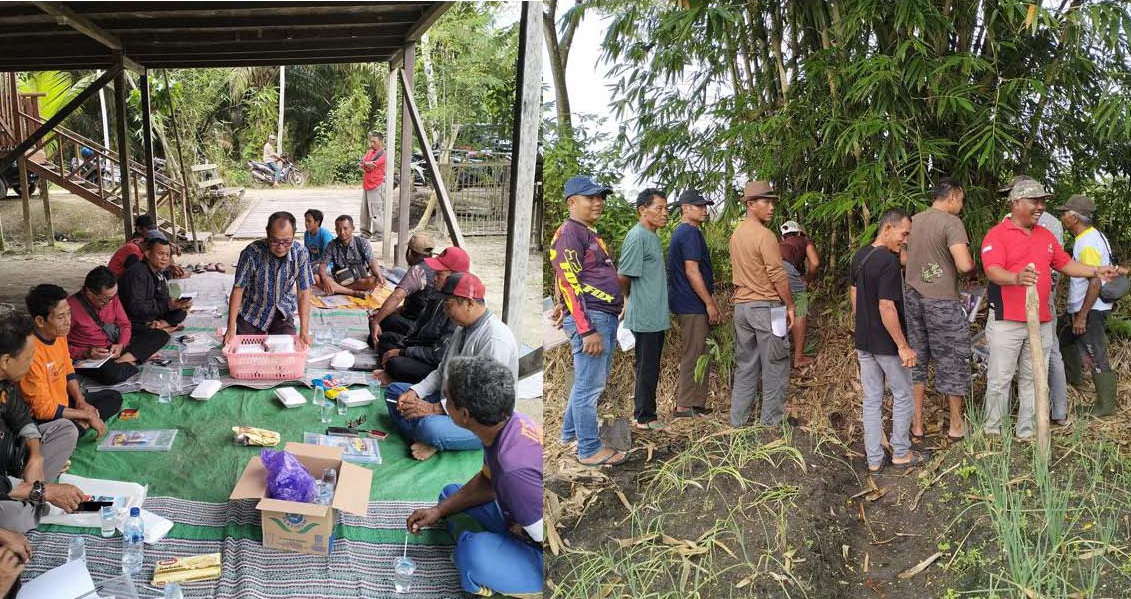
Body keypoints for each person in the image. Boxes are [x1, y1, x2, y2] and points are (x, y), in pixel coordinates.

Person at [980, 180, 1120, 439]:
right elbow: (992, 270)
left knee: (1035, 377)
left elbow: (1065, 264)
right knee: (1000, 378)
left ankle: (1027, 431)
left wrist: (1095, 271)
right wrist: (1015, 278)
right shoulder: (997, 234)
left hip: (1042, 319)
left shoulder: (1045, 236)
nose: (1041, 207)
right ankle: (993, 433)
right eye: (1035, 201)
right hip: (1006, 320)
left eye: (1042, 201)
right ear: (1016, 202)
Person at [406, 356, 542, 597]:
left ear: (465, 415)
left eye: (448, 400)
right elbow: (488, 482)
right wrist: (439, 511)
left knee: (472, 554)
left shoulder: (513, 471)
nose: (443, 403)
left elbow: (548, 539)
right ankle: (489, 544)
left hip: (540, 550)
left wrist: (516, 533)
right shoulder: (505, 426)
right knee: (449, 496)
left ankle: (507, 575)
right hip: (518, 516)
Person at [385, 273, 519, 461]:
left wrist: (433, 409)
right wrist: (416, 392)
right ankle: (430, 439)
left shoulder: (494, 339)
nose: (445, 311)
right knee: (394, 393)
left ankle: (432, 436)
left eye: (448, 305)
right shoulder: (462, 328)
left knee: (429, 427)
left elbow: (483, 399)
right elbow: (442, 371)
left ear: (469, 304)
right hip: (450, 403)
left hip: (480, 419)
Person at [550, 175, 626, 467]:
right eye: (590, 197)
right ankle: (589, 450)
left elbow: (570, 278)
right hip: (592, 320)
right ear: (572, 202)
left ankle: (570, 434)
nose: (598, 202)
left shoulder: (586, 232)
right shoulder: (570, 233)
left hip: (600, 316)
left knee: (586, 383)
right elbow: (569, 282)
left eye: (600, 197)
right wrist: (586, 329)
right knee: (589, 387)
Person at [851, 210, 930, 472]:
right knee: (903, 394)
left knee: (872, 399)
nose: (905, 240)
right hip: (887, 344)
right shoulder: (887, 261)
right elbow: (886, 306)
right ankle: (901, 452)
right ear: (887, 229)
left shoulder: (861, 256)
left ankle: (874, 459)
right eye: (903, 234)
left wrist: (863, 325)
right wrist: (903, 346)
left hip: (864, 341)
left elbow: (854, 296)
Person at [902, 178, 975, 441]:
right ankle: (955, 425)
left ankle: (917, 425)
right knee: (952, 359)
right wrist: (971, 269)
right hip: (942, 302)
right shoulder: (951, 223)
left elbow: (903, 259)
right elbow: (964, 265)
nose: (961, 205)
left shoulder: (913, 221)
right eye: (961, 199)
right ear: (953, 196)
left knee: (916, 359)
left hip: (912, 298)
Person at [0, 312, 85, 534]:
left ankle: (29, 500)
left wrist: (36, 456)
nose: (31, 364)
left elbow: (22, 418)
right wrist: (43, 491)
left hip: (12, 466)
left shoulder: (5, 383)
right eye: (29, 358)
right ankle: (31, 504)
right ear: (6, 361)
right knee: (14, 520)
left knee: (65, 429)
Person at [999, 175, 1070, 426]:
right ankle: (1047, 412)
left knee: (1047, 354)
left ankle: (1054, 411)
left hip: (1037, 296)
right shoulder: (1008, 224)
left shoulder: (1044, 224)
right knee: (1034, 358)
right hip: (1021, 296)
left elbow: (1057, 262)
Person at [729, 180, 795, 427]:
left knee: (746, 365)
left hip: (742, 308)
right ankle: (770, 424)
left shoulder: (736, 234)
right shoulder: (765, 235)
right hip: (766, 307)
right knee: (776, 364)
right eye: (765, 202)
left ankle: (737, 422)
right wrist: (789, 305)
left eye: (772, 202)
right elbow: (777, 275)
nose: (771, 207)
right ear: (750, 204)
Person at [20, 285, 120, 435]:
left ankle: (81, 426)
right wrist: (86, 415)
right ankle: (80, 427)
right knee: (67, 430)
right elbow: (42, 409)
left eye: (69, 313)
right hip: (46, 416)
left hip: (65, 403)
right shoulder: (29, 353)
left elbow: (68, 369)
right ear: (40, 321)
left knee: (113, 397)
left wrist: (80, 401)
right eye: (61, 317)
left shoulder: (59, 334)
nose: (68, 322)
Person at [1059, 194, 1125, 417]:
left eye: (1065, 213)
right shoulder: (1094, 236)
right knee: (1064, 338)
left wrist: (1082, 316)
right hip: (1086, 307)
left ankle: (1105, 406)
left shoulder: (1087, 243)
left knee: (1097, 353)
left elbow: (1095, 281)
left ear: (1075, 218)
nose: (1062, 217)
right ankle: (1074, 379)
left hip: (1091, 309)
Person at [617, 188, 670, 431]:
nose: (665, 213)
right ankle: (644, 416)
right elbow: (623, 276)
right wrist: (628, 299)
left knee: (652, 365)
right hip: (645, 313)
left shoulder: (652, 236)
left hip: (656, 313)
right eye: (659, 208)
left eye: (666, 208)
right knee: (646, 366)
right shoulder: (636, 236)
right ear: (642, 210)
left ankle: (648, 412)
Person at [223, 212, 314, 347]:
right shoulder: (252, 253)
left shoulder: (301, 254)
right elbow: (238, 289)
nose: (281, 247)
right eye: (275, 241)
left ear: (294, 235)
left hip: (282, 314)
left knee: (285, 349)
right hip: (253, 313)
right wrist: (231, 329)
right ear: (267, 233)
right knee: (245, 349)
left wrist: (304, 331)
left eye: (287, 242)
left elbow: (304, 293)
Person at [667, 189, 721, 418]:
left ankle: (695, 403)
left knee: (700, 351)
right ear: (685, 208)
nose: (704, 210)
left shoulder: (685, 232)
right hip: (691, 303)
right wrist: (709, 303)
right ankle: (684, 405)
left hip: (688, 302)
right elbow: (692, 271)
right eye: (699, 206)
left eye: (705, 206)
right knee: (694, 351)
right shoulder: (689, 233)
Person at [68, 266, 170, 385]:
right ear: (89, 294)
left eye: (114, 296)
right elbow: (60, 346)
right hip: (91, 356)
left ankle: (124, 360)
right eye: (106, 299)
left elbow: (125, 325)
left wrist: (121, 344)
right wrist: (85, 352)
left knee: (161, 335)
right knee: (111, 375)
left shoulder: (112, 298)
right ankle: (135, 358)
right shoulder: (69, 309)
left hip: (114, 348)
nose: (111, 302)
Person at [368, 239, 457, 346]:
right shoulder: (441, 287)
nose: (435, 278)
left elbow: (397, 296)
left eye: (439, 274)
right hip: (421, 328)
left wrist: (376, 321)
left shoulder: (419, 270)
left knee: (383, 332)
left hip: (421, 331)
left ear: (409, 252)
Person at [375, 273, 459, 385]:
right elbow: (418, 329)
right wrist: (403, 347)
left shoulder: (456, 317)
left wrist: (404, 352)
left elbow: (438, 355)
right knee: (385, 339)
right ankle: (391, 372)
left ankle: (393, 375)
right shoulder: (438, 297)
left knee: (395, 364)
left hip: (434, 364)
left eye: (440, 274)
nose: (434, 278)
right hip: (422, 349)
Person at [118, 234, 192, 335]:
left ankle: (161, 325)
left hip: (153, 314)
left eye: (167, 255)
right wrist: (167, 306)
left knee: (181, 312)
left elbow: (163, 298)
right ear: (148, 254)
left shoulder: (159, 272)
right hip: (135, 319)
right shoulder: (137, 274)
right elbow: (136, 308)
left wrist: (177, 304)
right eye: (160, 254)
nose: (164, 258)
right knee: (156, 337)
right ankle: (163, 328)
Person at [778, 220, 820, 368]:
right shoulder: (804, 240)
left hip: (768, 269)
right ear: (798, 232)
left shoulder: (780, 244)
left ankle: (777, 356)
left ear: (783, 237)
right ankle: (798, 358)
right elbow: (815, 263)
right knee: (799, 308)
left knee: (778, 308)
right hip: (786, 269)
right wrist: (807, 279)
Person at [317, 215, 387, 298]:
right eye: (338, 229)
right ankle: (353, 292)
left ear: (353, 228)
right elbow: (322, 266)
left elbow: (371, 261)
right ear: (335, 230)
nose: (342, 232)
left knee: (374, 280)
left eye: (345, 228)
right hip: (340, 280)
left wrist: (379, 276)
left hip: (359, 280)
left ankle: (338, 290)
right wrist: (325, 280)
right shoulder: (331, 245)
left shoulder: (362, 242)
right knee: (316, 278)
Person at [358, 131, 387, 238]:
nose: (372, 144)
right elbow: (361, 163)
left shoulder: (383, 154)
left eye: (374, 142)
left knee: (376, 210)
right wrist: (366, 164)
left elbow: (373, 165)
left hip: (377, 184)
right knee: (364, 211)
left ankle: (378, 233)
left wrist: (365, 164)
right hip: (366, 185)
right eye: (371, 142)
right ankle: (365, 232)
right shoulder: (369, 152)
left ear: (381, 142)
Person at [303, 209, 335, 289]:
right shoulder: (306, 234)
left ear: (317, 222)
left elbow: (327, 258)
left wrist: (310, 265)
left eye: (309, 221)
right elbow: (307, 254)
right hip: (314, 266)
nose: (306, 223)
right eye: (305, 221)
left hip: (327, 266)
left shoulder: (325, 235)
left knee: (313, 272)